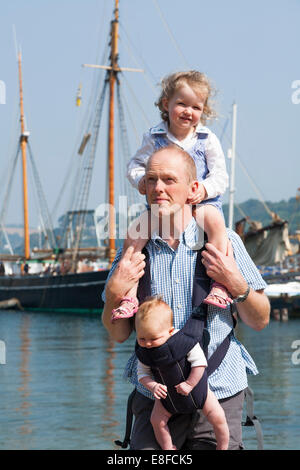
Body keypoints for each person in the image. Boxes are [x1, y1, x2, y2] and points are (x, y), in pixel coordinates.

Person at [102, 146, 270, 450]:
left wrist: (235, 283)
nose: (158, 188)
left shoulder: (223, 241)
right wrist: (115, 292)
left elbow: (260, 320)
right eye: (152, 180)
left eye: (169, 179)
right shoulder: (135, 250)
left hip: (219, 389)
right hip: (157, 395)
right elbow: (117, 334)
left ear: (193, 189)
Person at [111, 70, 230, 323]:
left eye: (196, 107)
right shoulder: (154, 137)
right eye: (182, 104)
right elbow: (134, 165)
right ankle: (129, 294)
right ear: (167, 104)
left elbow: (221, 176)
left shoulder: (207, 139)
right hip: (162, 209)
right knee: (135, 235)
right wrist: (142, 180)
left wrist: (204, 189)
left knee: (218, 227)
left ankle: (220, 285)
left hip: (201, 205)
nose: (188, 111)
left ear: (203, 110)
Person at [135, 296, 229, 450]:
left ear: (170, 331)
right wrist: (152, 386)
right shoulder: (145, 352)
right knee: (156, 420)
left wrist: (189, 384)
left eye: (153, 338)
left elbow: (200, 364)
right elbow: (142, 374)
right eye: (142, 338)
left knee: (218, 417)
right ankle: (168, 447)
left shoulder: (184, 341)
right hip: (168, 396)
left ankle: (223, 446)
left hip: (199, 392)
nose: (148, 343)